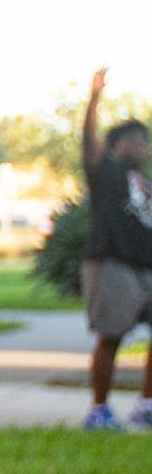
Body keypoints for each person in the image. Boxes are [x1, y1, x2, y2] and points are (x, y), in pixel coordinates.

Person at [77, 70, 152, 428]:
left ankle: (147, 405)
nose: (141, 145)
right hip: (111, 264)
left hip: (145, 267)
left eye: (144, 140)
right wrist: (94, 97)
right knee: (112, 336)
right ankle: (99, 409)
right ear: (115, 146)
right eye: (132, 140)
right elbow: (88, 140)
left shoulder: (146, 182)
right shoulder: (104, 170)